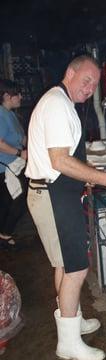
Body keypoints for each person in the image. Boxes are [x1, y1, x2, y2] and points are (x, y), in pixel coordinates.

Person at [25, 55, 106, 360]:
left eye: (95, 85)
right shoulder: (58, 105)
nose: (89, 89)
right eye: (85, 81)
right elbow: (60, 161)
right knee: (76, 268)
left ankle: (71, 318)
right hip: (52, 195)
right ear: (69, 72)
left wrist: (93, 172)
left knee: (64, 264)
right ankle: (68, 343)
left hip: (53, 193)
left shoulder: (59, 100)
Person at [0, 79, 27, 249]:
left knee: (8, 203)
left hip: (14, 165)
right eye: (17, 94)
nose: (21, 97)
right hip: (4, 167)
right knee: (21, 200)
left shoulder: (10, 114)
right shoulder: (1, 114)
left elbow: (21, 137)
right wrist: (19, 152)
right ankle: (5, 235)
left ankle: (4, 235)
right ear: (6, 96)